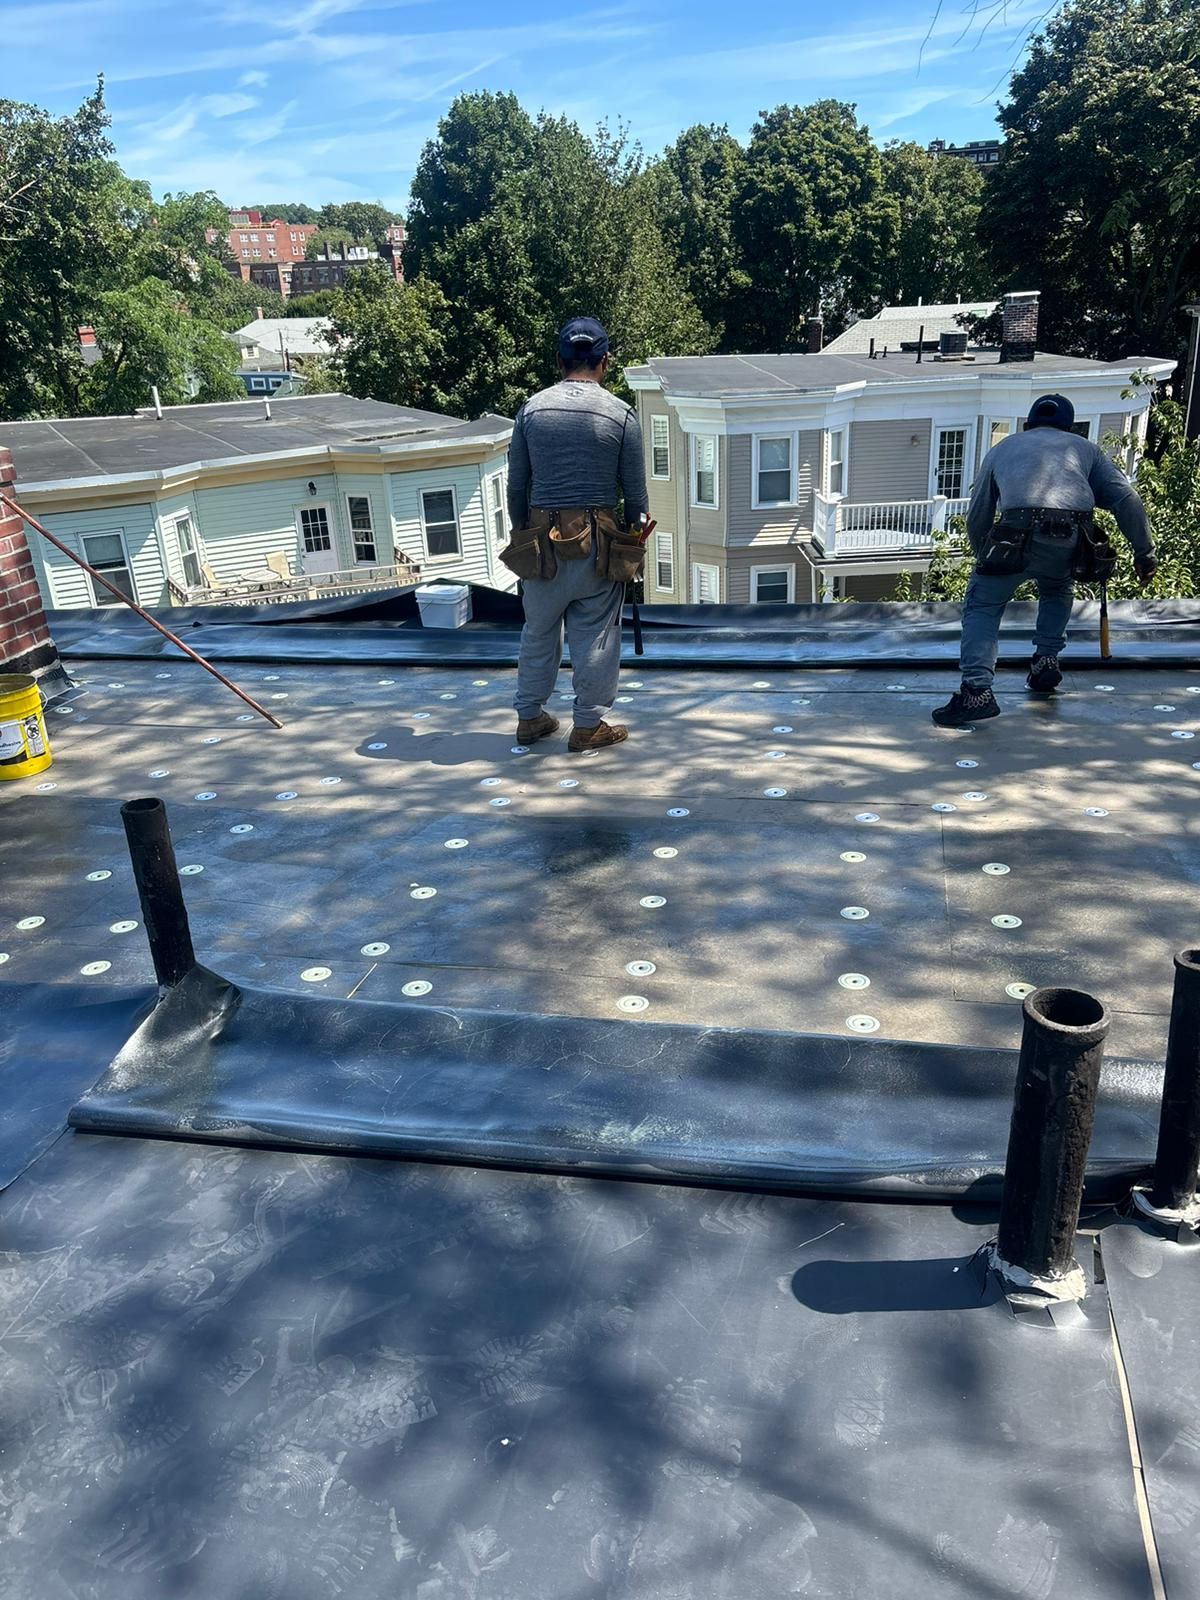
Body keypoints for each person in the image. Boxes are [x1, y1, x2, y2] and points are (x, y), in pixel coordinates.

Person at [932, 394, 1157, 728]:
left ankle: (976, 692)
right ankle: (1046, 662)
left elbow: (978, 514)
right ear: (1069, 427)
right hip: (1071, 535)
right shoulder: (1084, 450)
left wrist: (984, 557)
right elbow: (1126, 498)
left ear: (1027, 425)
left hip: (1016, 530)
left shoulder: (1004, 448)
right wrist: (1145, 553)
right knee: (1057, 587)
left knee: (983, 605)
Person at [505, 317, 648, 752]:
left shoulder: (531, 410)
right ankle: (587, 726)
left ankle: (530, 718)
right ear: (604, 361)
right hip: (598, 543)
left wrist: (523, 535)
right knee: (596, 633)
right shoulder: (621, 415)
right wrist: (633, 544)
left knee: (538, 629)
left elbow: (516, 485)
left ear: (559, 360)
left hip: (540, 540)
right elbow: (637, 500)